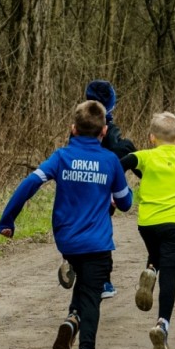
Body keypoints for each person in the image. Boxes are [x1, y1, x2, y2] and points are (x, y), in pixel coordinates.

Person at [0, 100, 133, 349]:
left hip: (68, 242)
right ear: (104, 131)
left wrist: (8, 219)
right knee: (92, 296)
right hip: (97, 243)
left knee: (84, 283)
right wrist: (122, 193)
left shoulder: (61, 157)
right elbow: (125, 203)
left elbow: (29, 183)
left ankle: (72, 320)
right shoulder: (110, 160)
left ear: (73, 129)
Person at [119, 112, 175, 349]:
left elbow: (119, 164)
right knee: (170, 273)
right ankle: (162, 324)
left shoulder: (144, 157)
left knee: (156, 252)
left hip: (147, 224)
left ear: (151, 138)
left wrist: (121, 187)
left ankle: (150, 269)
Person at [57, 80, 136, 299]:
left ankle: (73, 262)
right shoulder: (108, 128)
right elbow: (112, 157)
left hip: (77, 186)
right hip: (103, 188)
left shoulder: (79, 124)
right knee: (101, 230)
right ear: (111, 104)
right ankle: (103, 281)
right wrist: (127, 150)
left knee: (78, 223)